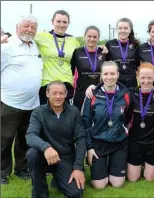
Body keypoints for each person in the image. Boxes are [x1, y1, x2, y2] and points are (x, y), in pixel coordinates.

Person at [26, 81, 86, 198]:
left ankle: (58, 179)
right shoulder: (38, 112)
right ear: (47, 94)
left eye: (61, 93)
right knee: (32, 154)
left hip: (65, 157)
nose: (58, 96)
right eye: (54, 93)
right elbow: (30, 135)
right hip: (45, 156)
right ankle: (40, 193)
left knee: (75, 193)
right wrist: (46, 147)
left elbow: (81, 139)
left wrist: (78, 168)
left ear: (66, 94)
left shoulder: (74, 112)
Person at [1, 15, 42, 185]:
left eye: (33, 27)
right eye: (26, 26)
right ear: (17, 26)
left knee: (24, 140)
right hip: (10, 103)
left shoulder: (35, 46)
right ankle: (2, 173)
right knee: (4, 140)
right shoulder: (6, 47)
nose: (29, 30)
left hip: (32, 104)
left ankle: (22, 168)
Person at [82, 61, 131, 189]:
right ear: (101, 75)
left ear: (118, 75)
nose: (109, 77)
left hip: (118, 143)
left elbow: (129, 116)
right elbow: (86, 123)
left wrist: (123, 131)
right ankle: (102, 168)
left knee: (117, 183)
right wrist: (89, 148)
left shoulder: (125, 94)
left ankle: (114, 166)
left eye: (112, 73)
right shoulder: (92, 94)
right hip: (98, 143)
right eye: (106, 74)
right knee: (99, 185)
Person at [34, 10, 80, 105]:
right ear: (52, 22)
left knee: (65, 117)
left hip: (66, 84)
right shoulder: (41, 36)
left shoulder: (74, 41)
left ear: (68, 23)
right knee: (46, 117)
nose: (61, 25)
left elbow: (83, 54)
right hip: (47, 84)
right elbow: (23, 36)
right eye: (58, 21)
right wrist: (5, 36)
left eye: (64, 22)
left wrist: (101, 48)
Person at [71, 25, 107, 110]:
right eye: (89, 36)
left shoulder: (104, 53)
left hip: (99, 92)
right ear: (84, 36)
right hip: (81, 93)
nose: (92, 39)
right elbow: (71, 71)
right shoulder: (77, 52)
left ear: (98, 38)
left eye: (95, 37)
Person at [105, 17, 140, 89]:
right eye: (120, 28)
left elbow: (138, 64)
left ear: (130, 30)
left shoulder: (135, 45)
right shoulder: (109, 44)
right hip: (114, 81)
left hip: (131, 82)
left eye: (125, 28)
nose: (122, 30)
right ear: (116, 29)